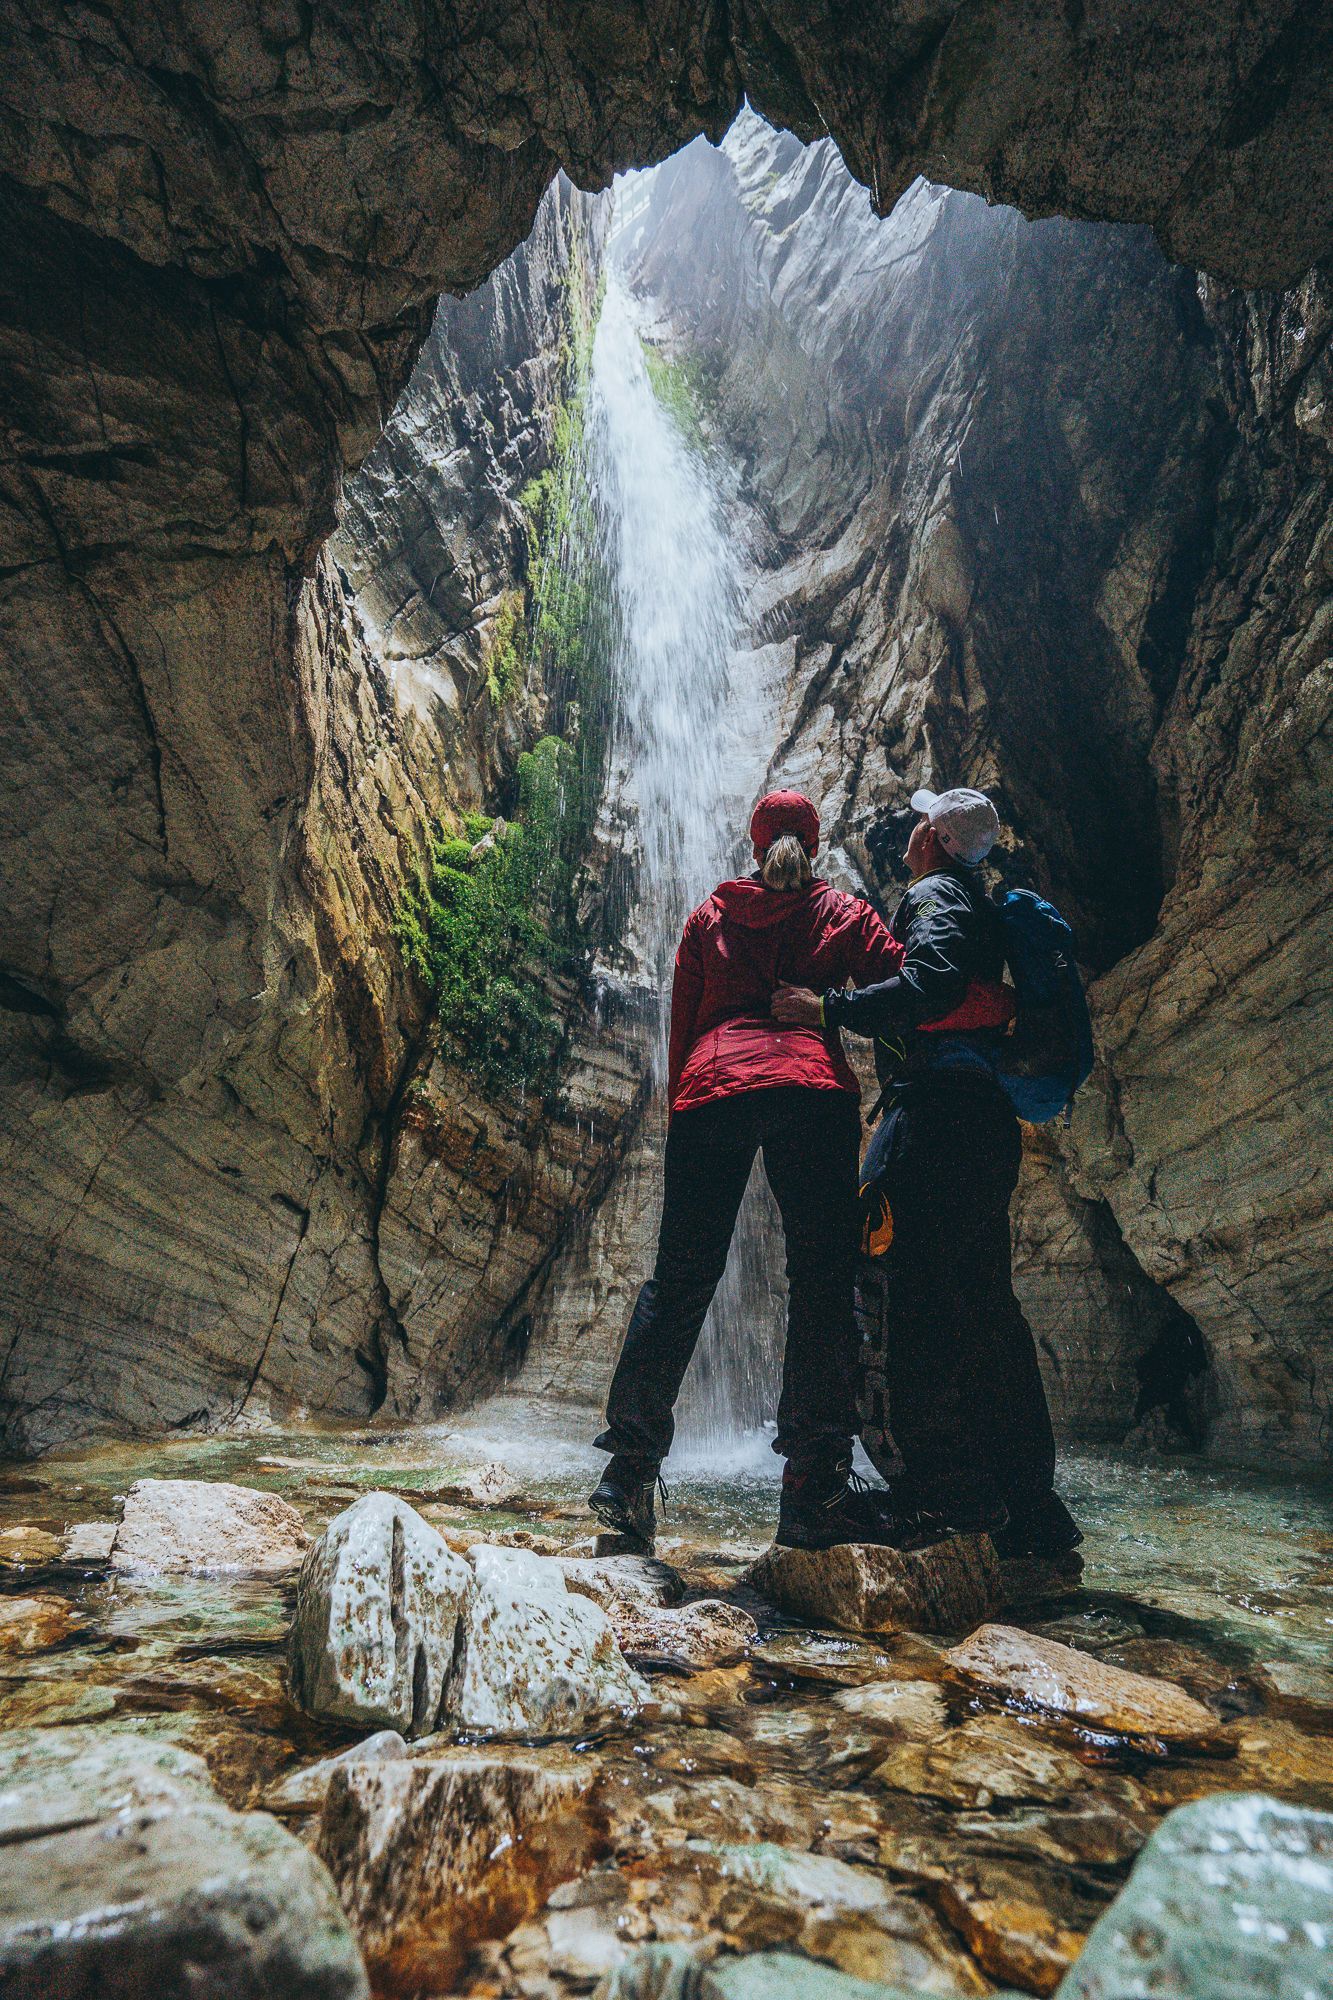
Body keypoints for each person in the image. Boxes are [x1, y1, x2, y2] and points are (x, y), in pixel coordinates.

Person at [589, 789, 919, 1553]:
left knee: (678, 1280)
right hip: (808, 1094)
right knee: (821, 1282)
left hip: (711, 1093)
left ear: (754, 844)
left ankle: (627, 1469)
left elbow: (686, 1014)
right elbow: (903, 990)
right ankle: (814, 1487)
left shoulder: (709, 916)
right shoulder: (843, 914)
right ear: (813, 842)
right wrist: (830, 1005)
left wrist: (685, 1109)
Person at [773, 785, 1082, 1560]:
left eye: (921, 821)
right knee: (983, 1311)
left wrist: (827, 1009)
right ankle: (1026, 1506)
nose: (909, 830)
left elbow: (932, 981)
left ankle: (945, 1495)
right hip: (979, 1125)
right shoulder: (972, 899)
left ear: (935, 839)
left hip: (933, 1119)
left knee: (900, 1298)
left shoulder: (938, 894)